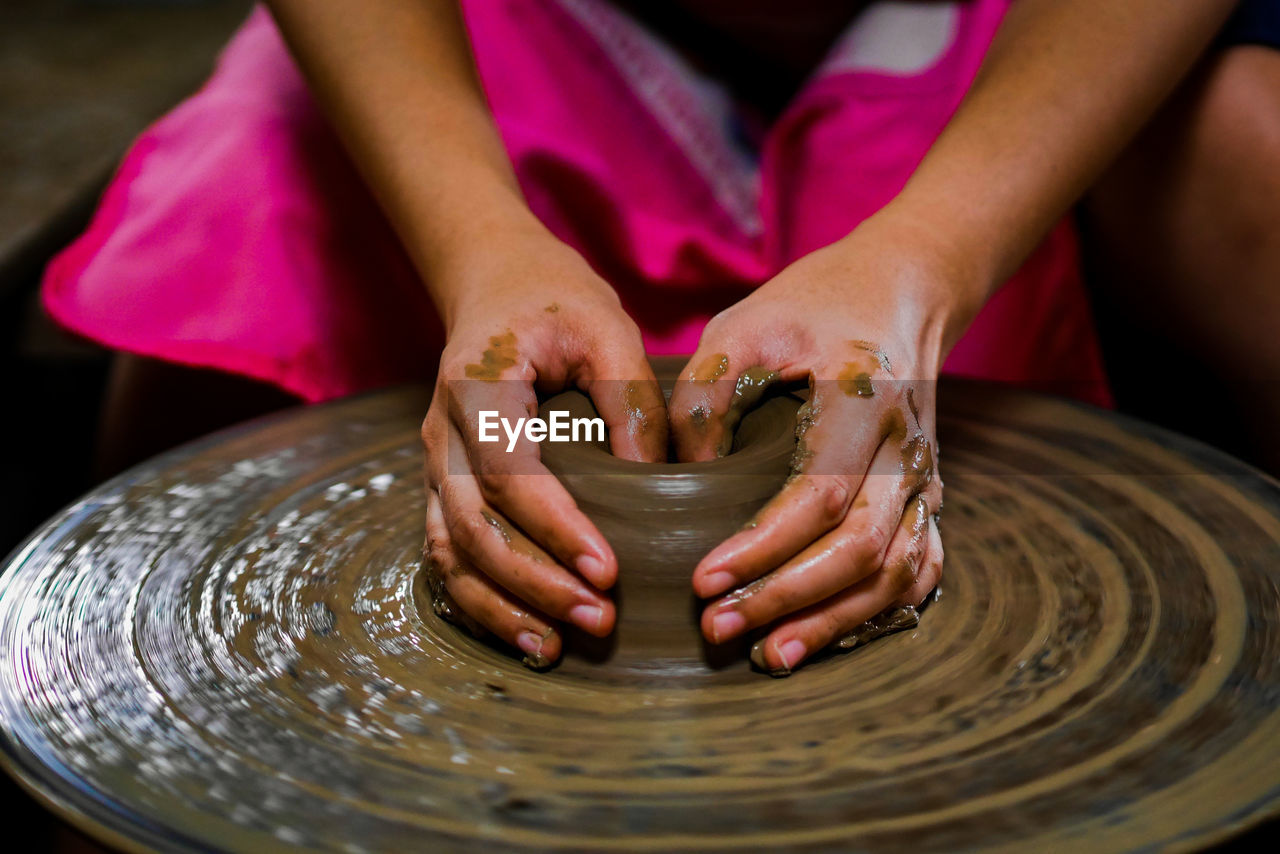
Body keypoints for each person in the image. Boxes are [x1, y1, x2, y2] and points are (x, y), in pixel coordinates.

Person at [42, 1, 1280, 673]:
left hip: (986, 33)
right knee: (238, 188)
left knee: (1251, 162)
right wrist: (479, 244)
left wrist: (922, 261)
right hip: (526, 30)